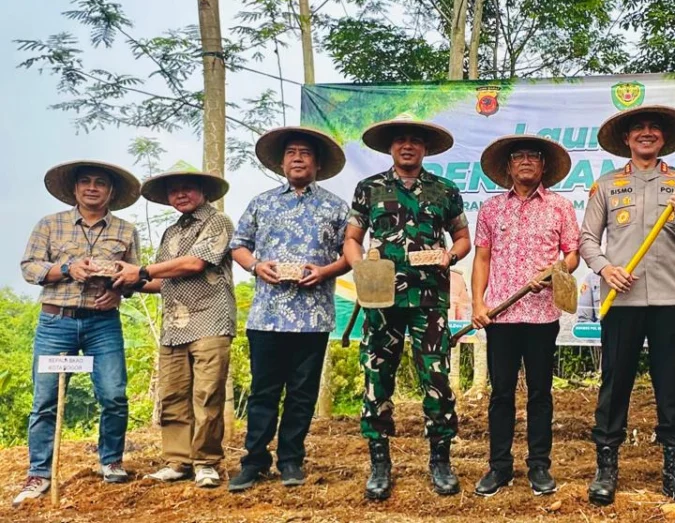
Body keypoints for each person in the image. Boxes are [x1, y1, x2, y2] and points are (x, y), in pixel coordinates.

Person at [580, 105, 675, 509]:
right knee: (614, 385)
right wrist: (606, 269)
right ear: (626, 138)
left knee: (672, 388)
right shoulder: (605, 185)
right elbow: (587, 239)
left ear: (663, 138)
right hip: (622, 300)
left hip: (671, 300)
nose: (646, 133)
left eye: (654, 128)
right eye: (638, 128)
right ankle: (606, 469)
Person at [343, 116, 471, 500]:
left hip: (429, 301)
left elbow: (463, 237)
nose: (408, 146)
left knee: (436, 380)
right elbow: (352, 238)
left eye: (415, 141)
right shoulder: (369, 189)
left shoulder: (444, 190)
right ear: (391, 148)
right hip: (381, 300)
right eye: (401, 141)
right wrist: (361, 267)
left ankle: (440, 460)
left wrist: (450, 255)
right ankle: (379, 463)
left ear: (425, 149)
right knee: (376, 379)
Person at [227, 127, 351, 491]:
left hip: (313, 317)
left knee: (302, 394)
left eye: (305, 153)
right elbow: (239, 245)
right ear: (281, 163)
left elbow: (351, 252)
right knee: (264, 391)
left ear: (317, 163)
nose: (298, 158)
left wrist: (326, 271)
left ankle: (292, 460)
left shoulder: (335, 206)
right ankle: (253, 461)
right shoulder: (261, 202)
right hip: (266, 315)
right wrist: (255, 267)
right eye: (291, 153)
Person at [14, 161, 142, 505]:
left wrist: (120, 291)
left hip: (103, 323)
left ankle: (111, 461)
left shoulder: (126, 230)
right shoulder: (50, 225)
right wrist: (69, 268)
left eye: (100, 183)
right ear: (74, 189)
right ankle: (39, 473)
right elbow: (29, 268)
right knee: (45, 400)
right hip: (56, 322)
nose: (92, 187)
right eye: (85, 182)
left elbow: (135, 276)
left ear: (111, 191)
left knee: (114, 395)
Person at [470, 135, 580, 497]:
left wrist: (553, 271)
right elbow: (482, 258)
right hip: (501, 316)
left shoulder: (560, 207)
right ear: (509, 166)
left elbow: (573, 255)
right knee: (501, 393)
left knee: (540, 393)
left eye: (534, 157)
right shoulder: (490, 209)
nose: (527, 162)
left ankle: (539, 466)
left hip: (542, 316)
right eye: (520, 157)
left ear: (544, 166)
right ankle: (499, 467)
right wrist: (477, 304)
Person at [113, 170, 236, 489]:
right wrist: (128, 282)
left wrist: (139, 270)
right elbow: (160, 279)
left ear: (203, 192)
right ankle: (178, 460)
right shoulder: (170, 232)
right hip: (173, 323)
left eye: (188, 189)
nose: (181, 194)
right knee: (173, 394)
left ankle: (206, 461)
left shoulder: (218, 221)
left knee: (207, 393)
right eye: (174, 190)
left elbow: (195, 263)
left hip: (211, 318)